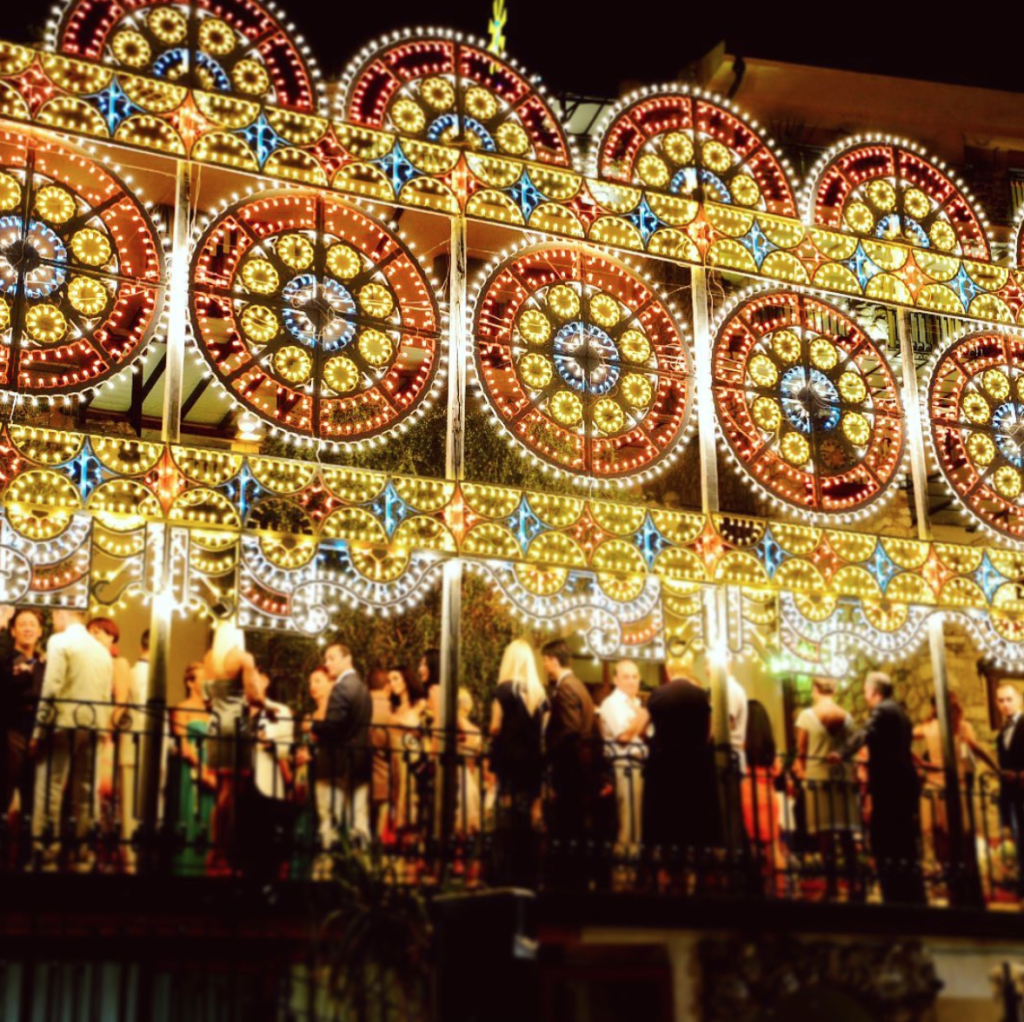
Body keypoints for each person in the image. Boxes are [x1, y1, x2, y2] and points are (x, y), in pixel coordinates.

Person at [30, 609, 113, 871]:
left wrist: (38, 730)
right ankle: (82, 851)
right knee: (85, 790)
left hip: (63, 723)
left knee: (50, 786)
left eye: (54, 616)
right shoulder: (101, 651)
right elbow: (105, 694)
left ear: (65, 614)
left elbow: (52, 686)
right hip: (92, 724)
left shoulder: (61, 642)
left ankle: (46, 850)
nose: (53, 621)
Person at [834, 671, 925, 905]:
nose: (864, 696)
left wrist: (841, 753)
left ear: (874, 691)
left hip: (890, 784)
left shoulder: (882, 710)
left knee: (886, 839)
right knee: (904, 841)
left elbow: (865, 734)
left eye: (865, 691)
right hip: (903, 784)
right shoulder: (900, 713)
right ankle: (911, 894)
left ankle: (894, 894)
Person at [636, 644, 719, 881]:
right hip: (694, 767)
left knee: (665, 821)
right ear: (689, 667)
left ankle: (667, 874)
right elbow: (709, 733)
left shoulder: (659, 694)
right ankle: (696, 875)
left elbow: (642, 729)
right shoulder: (700, 695)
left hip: (664, 767)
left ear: (668, 670)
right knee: (691, 820)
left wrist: (652, 740)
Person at [794, 678, 862, 899]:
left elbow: (801, 750)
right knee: (847, 833)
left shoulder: (807, 716)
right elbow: (852, 748)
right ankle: (854, 884)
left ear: (815, 689)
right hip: (843, 777)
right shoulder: (848, 718)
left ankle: (831, 884)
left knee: (825, 833)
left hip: (818, 777)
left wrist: (800, 772)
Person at [201, 620, 260, 875]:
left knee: (221, 793)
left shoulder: (209, 658)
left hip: (216, 724)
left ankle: (216, 847)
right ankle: (227, 850)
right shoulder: (243, 658)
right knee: (232, 792)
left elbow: (206, 696)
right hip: (236, 726)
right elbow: (253, 695)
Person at [915, 692, 997, 870]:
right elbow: (977, 749)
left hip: (951, 784)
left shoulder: (958, 726)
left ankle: (952, 870)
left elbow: (975, 748)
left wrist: (920, 763)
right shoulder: (943, 726)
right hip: (940, 784)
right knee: (943, 832)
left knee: (949, 832)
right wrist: (921, 762)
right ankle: (951, 870)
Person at [490, 639, 548, 884]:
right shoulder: (541, 694)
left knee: (508, 811)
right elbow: (544, 732)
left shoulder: (504, 690)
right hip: (534, 762)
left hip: (509, 760)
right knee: (530, 815)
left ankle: (506, 871)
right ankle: (530, 870)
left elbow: (495, 727)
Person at [541, 639, 595, 888]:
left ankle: (567, 880)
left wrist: (548, 747)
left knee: (566, 824)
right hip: (580, 766)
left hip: (569, 766)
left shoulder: (566, 688)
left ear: (553, 660)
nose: (544, 665)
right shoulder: (579, 686)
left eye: (545, 660)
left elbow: (571, 728)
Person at [309, 641, 372, 851]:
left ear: (347, 658)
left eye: (331, 658)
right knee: (359, 818)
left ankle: (331, 866)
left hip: (341, 761)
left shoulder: (342, 688)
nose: (327, 663)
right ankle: (361, 865)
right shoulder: (362, 687)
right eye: (326, 659)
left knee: (332, 820)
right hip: (362, 760)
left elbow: (334, 726)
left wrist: (314, 726)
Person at [87, 617, 135, 869]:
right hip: (85, 728)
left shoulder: (119, 663)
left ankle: (106, 852)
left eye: (102, 632)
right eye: (92, 632)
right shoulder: (85, 662)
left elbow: (121, 702)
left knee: (104, 792)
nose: (96, 636)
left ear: (112, 637)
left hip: (105, 732)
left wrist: (107, 728)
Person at [167, 662, 215, 876]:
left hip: (212, 767)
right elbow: (184, 746)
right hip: (192, 767)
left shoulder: (212, 710)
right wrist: (201, 767)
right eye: (202, 678)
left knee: (211, 817)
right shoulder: (181, 708)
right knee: (190, 814)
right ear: (190, 682)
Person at [1, 609, 45, 837]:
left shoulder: (45, 664)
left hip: (36, 733)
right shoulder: (7, 660)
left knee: (33, 794)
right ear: (14, 630)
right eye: (22, 624)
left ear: (39, 631)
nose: (28, 628)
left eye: (32, 624)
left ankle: (28, 853)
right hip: (11, 731)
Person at [598, 659, 646, 856]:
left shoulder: (635, 703)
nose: (631, 681)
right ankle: (623, 869)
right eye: (626, 677)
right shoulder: (612, 703)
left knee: (636, 821)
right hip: (624, 766)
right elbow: (623, 736)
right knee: (627, 821)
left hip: (639, 765)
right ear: (616, 680)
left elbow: (646, 733)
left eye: (635, 677)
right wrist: (642, 717)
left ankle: (633, 866)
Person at [742, 700, 786, 892]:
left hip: (747, 793)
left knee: (751, 847)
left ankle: (754, 891)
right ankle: (778, 889)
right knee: (773, 848)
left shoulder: (743, 744)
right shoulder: (770, 746)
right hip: (768, 796)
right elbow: (777, 770)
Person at [996, 683, 1024, 902]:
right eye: (1001, 700)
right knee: (1018, 838)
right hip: (1011, 795)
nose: (1005, 704)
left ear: (1020, 699)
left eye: (1009, 699)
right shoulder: (1002, 733)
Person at [366, 669, 393, 840]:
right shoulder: (391, 710)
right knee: (381, 833)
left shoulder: (360, 707)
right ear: (387, 686)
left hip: (362, 778)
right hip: (386, 780)